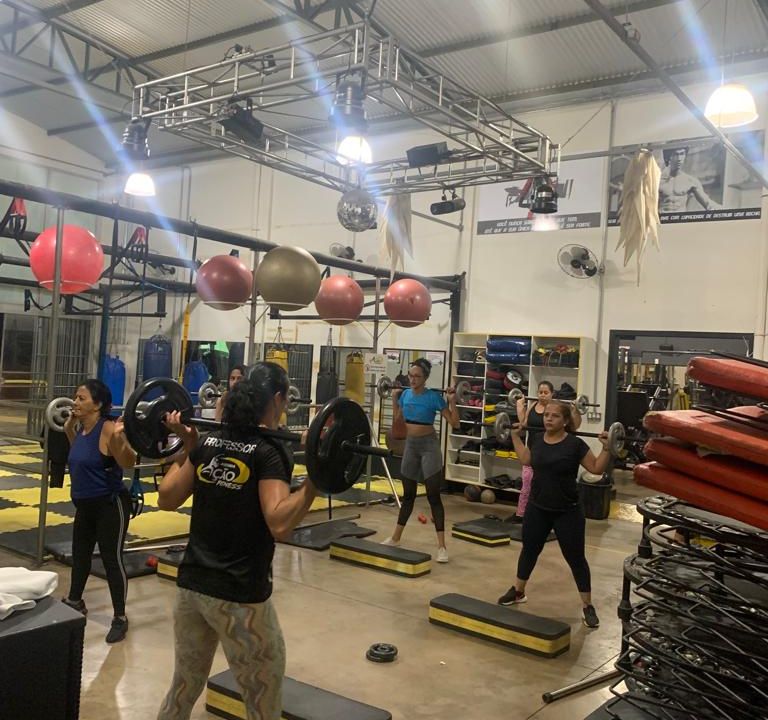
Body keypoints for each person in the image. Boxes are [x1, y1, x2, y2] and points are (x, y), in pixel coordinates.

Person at [156, 362, 317, 720]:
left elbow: (166, 497)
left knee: (183, 688)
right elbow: (279, 523)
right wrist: (315, 478)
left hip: (191, 588)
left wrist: (188, 445)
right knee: (263, 703)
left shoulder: (208, 441)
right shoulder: (269, 451)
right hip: (239, 597)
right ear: (279, 399)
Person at [497, 400, 611, 628]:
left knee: (576, 559)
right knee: (529, 550)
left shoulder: (575, 444)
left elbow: (596, 468)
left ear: (566, 421)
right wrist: (515, 437)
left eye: (555, 416)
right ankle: (518, 591)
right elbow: (526, 459)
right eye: (547, 415)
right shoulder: (538, 439)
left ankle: (587, 605)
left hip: (567, 511)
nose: (548, 418)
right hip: (538, 507)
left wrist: (607, 448)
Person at [61, 379, 137, 643]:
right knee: (80, 555)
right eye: (75, 397)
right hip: (85, 506)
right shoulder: (81, 430)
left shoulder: (108, 429)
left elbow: (128, 462)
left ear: (98, 404)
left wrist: (119, 439)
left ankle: (120, 618)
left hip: (109, 505)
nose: (75, 402)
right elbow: (79, 456)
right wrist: (68, 427)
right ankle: (75, 601)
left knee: (111, 560)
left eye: (81, 398)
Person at [381, 358, 459, 562]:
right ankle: (395, 538)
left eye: (417, 376)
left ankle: (442, 547)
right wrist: (394, 398)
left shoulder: (433, 397)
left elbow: (455, 423)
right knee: (408, 496)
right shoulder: (405, 395)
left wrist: (452, 401)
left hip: (429, 446)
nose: (413, 379)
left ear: (425, 378)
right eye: (411, 376)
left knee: (433, 496)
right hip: (411, 446)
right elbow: (398, 421)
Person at [514, 381, 582, 521]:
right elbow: (524, 424)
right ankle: (522, 515)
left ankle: (548, 516)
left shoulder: (559, 410)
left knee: (548, 486)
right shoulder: (533, 406)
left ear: (552, 394)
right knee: (527, 485)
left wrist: (576, 411)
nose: (542, 395)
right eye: (540, 392)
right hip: (533, 450)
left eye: (546, 392)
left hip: (551, 453)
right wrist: (519, 407)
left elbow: (574, 427)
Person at [658, 147, 719, 213]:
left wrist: (725, 211)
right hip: (662, 217)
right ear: (668, 156)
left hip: (680, 217)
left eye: (682, 154)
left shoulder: (690, 181)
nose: (679, 159)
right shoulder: (658, 180)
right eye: (675, 154)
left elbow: (708, 204)